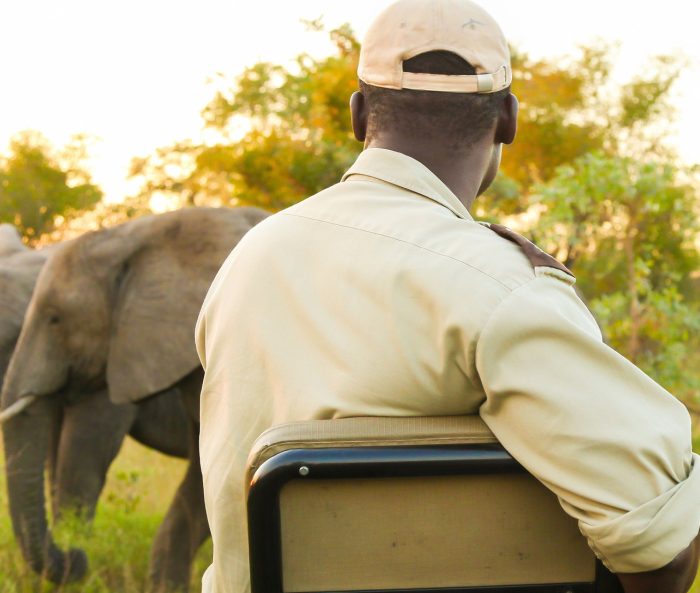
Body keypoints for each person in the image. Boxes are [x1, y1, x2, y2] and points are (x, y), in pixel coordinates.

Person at [195, 1, 700, 591]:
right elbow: (661, 556)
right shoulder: (504, 288)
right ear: (507, 119)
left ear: (359, 115)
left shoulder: (247, 262)